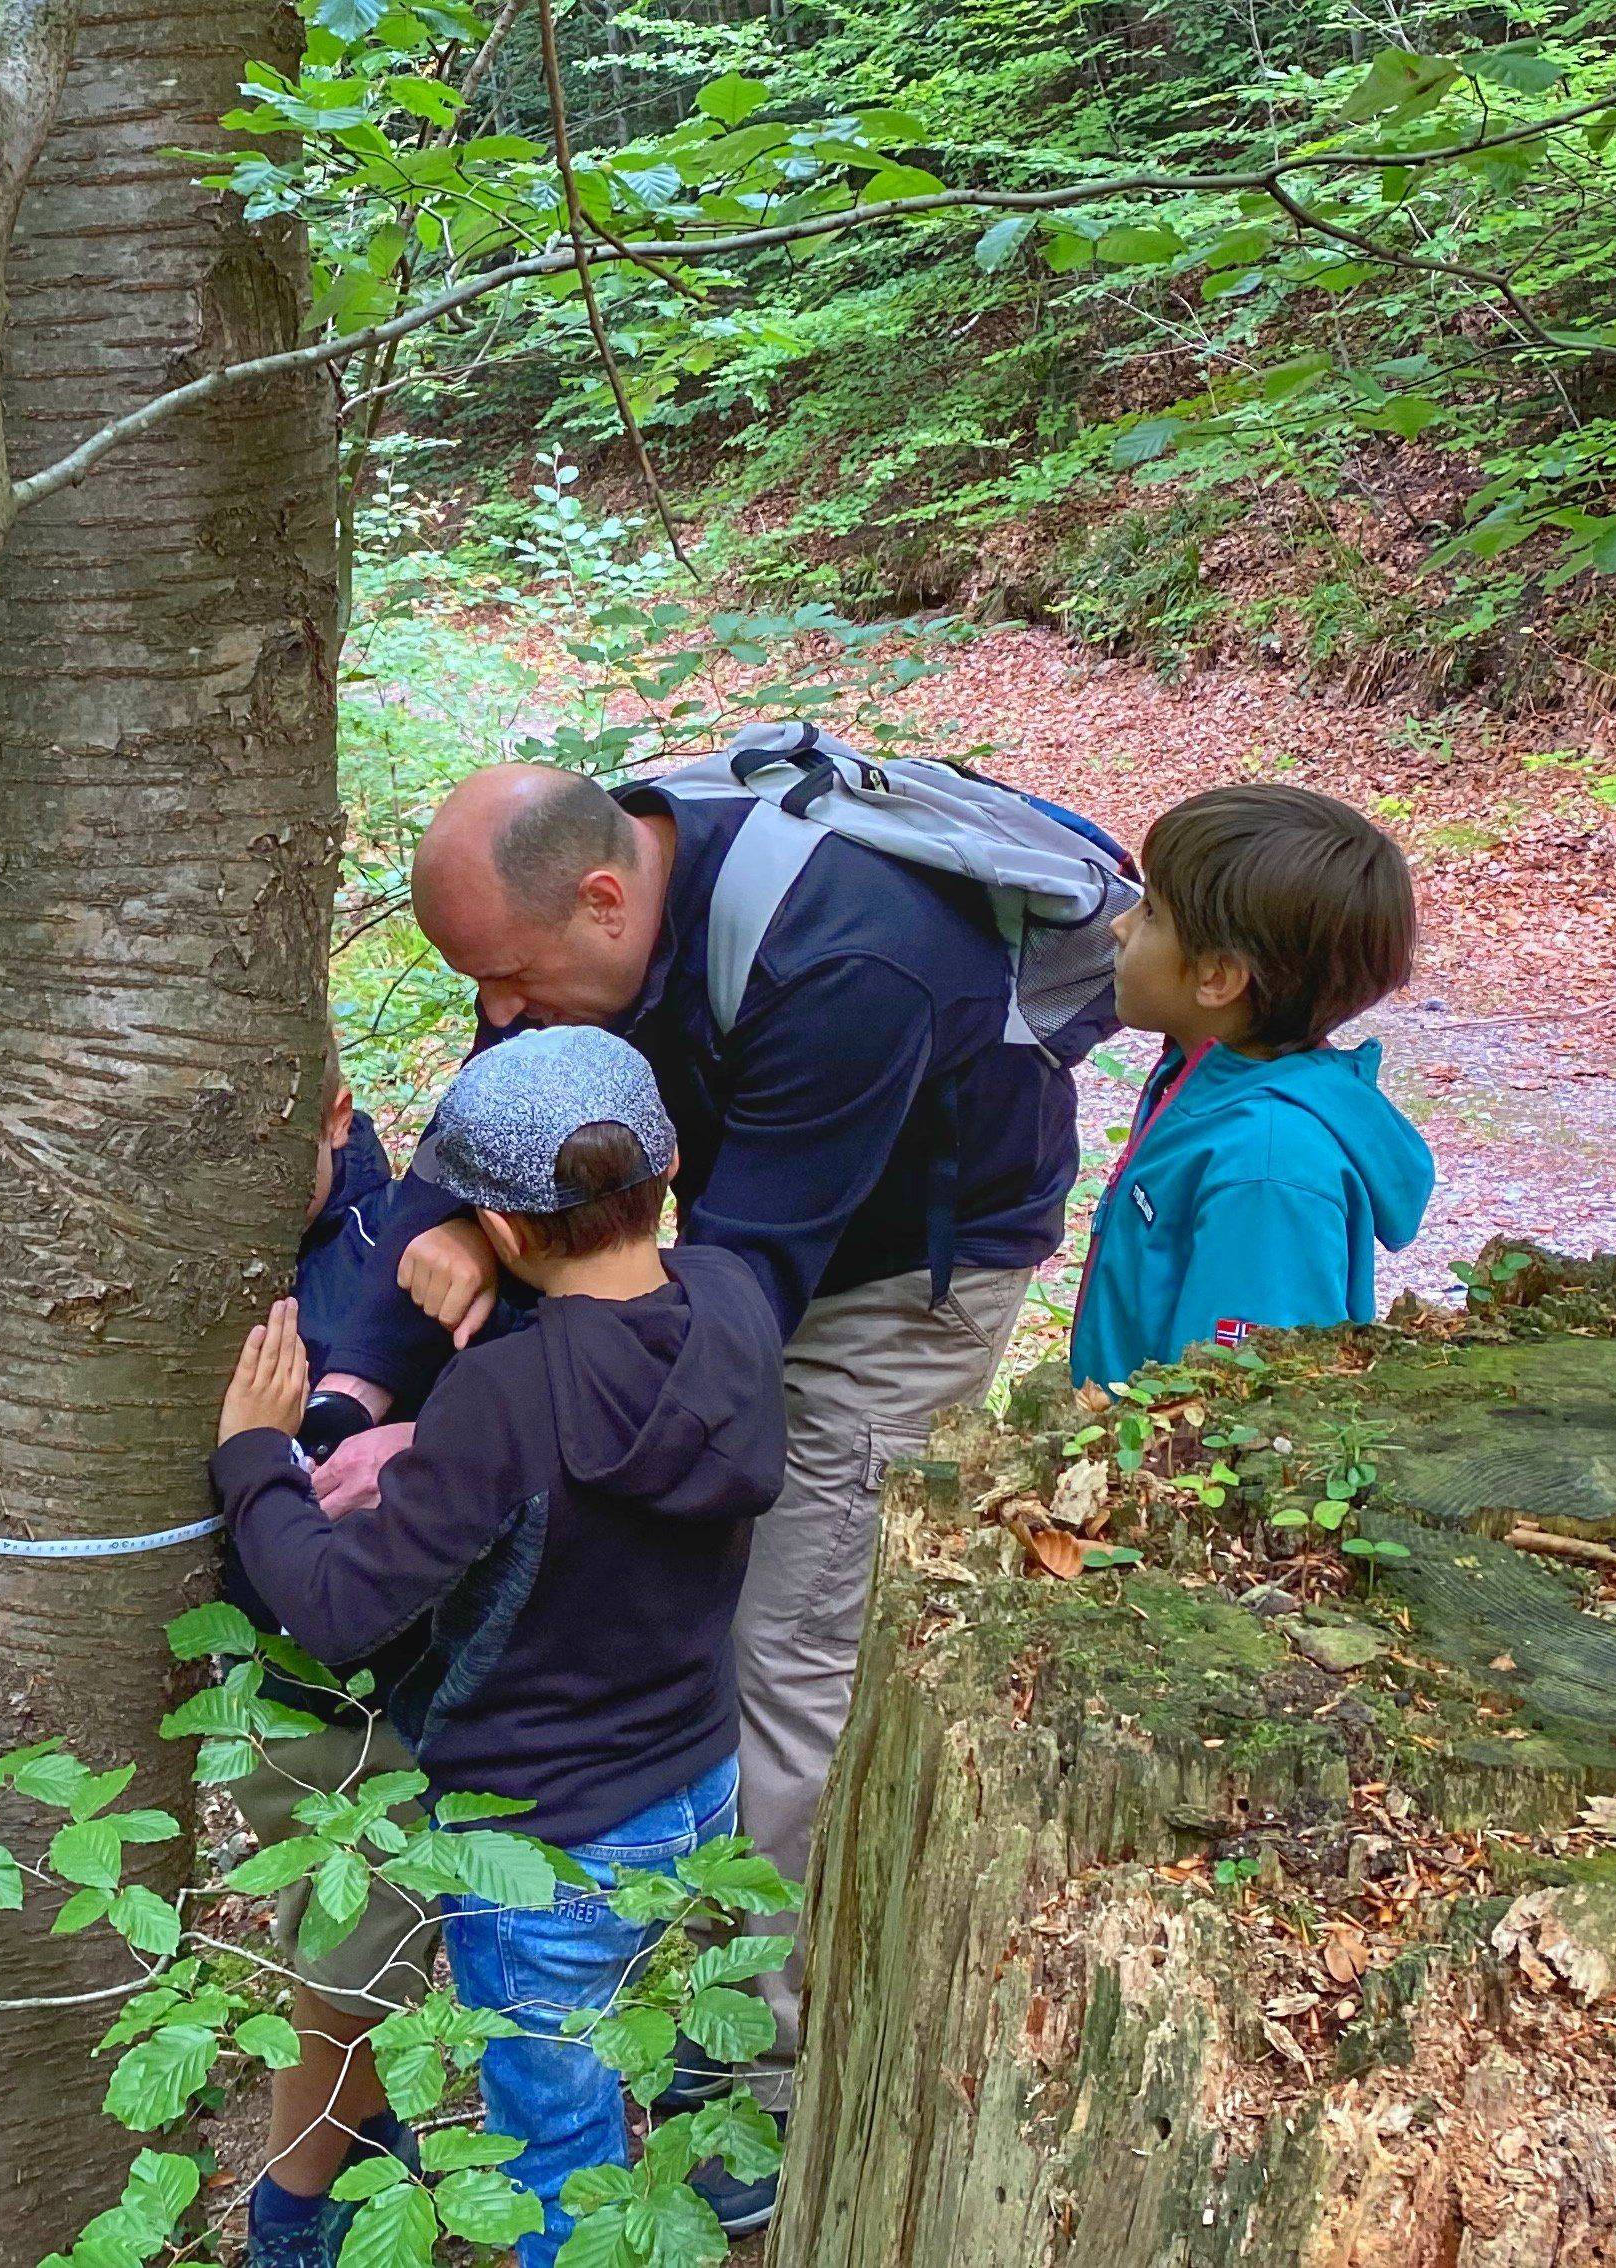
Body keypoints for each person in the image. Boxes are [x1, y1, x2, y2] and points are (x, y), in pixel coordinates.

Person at [366, 758, 1088, 2213]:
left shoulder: (851, 960)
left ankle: (756, 2081)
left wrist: (525, 1324)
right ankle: (671, 1957)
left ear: (605, 899)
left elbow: (746, 1283)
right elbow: (512, 1109)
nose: (492, 1015)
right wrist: (415, 1283)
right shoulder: (578, 907)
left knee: (782, 1647)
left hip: (898, 1274)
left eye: (506, 982)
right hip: (749, 1237)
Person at [214, 1027, 786, 2268]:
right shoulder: (737, 1299)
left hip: (544, 1835)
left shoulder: (503, 1400)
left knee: (552, 2134)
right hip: (695, 1782)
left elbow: (339, 1608)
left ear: (505, 1234)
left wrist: (258, 1456)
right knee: (621, 2041)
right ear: (672, 1164)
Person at [226, 1066, 445, 2268]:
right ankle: (360, 2158)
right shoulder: (214, 1249)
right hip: (264, 1690)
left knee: (351, 1966)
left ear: (335, 1115)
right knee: (343, 1946)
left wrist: (285, 1446)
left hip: (373, 1699)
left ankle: (295, 2200)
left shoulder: (404, 1256)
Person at [1068, 784, 1433, 1390]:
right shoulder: (1206, 1082)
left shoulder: (1266, 1165)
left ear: (1217, 977)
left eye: (1152, 912)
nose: (1119, 927)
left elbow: (1241, 1402)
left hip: (1172, 1474)